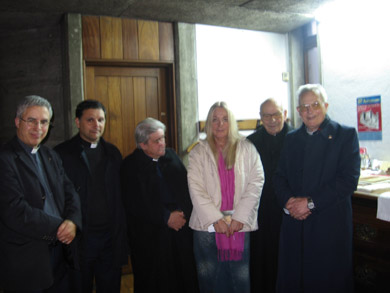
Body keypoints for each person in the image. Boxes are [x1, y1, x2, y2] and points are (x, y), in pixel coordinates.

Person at [273, 84, 360, 292]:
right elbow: (279, 176)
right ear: (298, 111)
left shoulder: (345, 135)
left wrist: (310, 203)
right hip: (295, 224)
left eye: (315, 104)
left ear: (326, 105)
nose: (310, 110)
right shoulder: (291, 139)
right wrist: (288, 202)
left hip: (328, 227)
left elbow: (348, 180)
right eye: (304, 106)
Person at [0, 95, 82, 292]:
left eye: (44, 122)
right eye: (31, 121)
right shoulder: (5, 159)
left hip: (61, 252)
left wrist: (73, 221)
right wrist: (60, 227)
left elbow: (70, 192)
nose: (38, 127)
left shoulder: (50, 155)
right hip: (28, 258)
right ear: (17, 122)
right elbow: (14, 210)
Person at [187, 101, 264, 293]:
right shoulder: (198, 152)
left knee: (238, 278)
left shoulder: (247, 149)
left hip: (238, 223)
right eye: (215, 120)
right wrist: (215, 219)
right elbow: (196, 188)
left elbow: (256, 181)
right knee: (210, 279)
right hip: (207, 227)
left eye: (224, 119)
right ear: (208, 124)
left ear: (231, 123)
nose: (220, 124)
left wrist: (240, 217)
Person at [54, 100, 127, 292]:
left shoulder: (112, 153)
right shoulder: (61, 154)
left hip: (110, 239)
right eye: (90, 120)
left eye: (101, 120)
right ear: (78, 122)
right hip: (80, 240)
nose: (97, 125)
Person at [121, 117, 199, 293]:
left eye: (163, 138)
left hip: (180, 229)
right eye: (157, 141)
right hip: (151, 235)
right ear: (143, 145)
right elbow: (135, 203)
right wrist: (165, 217)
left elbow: (187, 188)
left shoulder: (170, 155)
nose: (163, 143)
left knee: (184, 276)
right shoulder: (130, 166)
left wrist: (181, 214)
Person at [247, 98, 293, 293]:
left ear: (284, 114)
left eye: (276, 114)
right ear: (260, 117)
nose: (272, 119)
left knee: (289, 262)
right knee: (262, 263)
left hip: (289, 212)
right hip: (262, 212)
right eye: (267, 115)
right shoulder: (250, 142)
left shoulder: (296, 138)